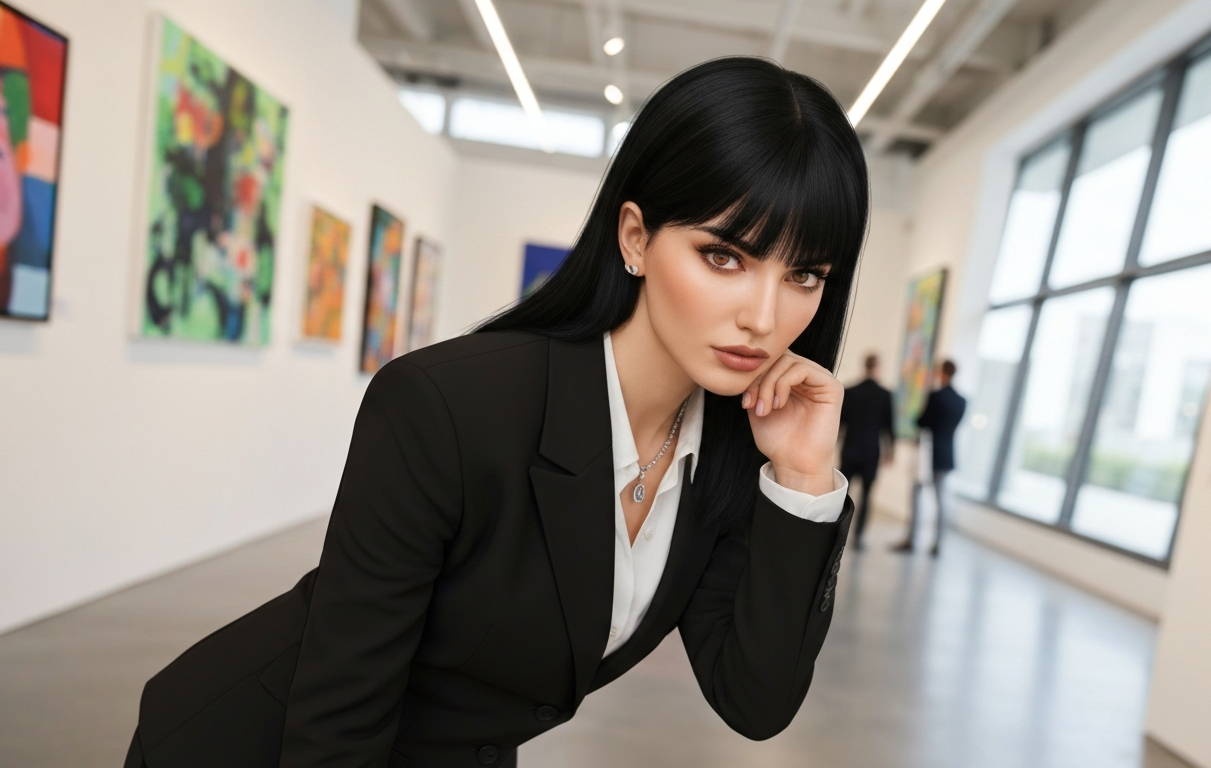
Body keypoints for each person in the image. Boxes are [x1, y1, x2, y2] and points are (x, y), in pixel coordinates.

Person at [122, 57, 868, 768]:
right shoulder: (448, 407)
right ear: (636, 238)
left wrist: (803, 477)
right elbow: (340, 713)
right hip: (255, 744)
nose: (764, 317)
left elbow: (755, 700)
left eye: (804, 274)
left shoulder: (731, 451)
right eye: (725, 257)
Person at [894, 359, 966, 556]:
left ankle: (912, 539)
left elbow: (922, 421)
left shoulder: (936, 396)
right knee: (941, 497)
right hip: (947, 454)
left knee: (917, 494)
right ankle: (938, 543)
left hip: (929, 453)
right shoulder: (961, 401)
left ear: (942, 373)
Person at [838, 353, 892, 549]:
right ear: (877, 367)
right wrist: (890, 452)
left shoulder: (850, 391)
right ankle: (859, 535)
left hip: (850, 448)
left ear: (865, 366)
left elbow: (839, 423)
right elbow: (889, 427)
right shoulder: (885, 394)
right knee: (867, 495)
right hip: (871, 451)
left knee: (843, 494)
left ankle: (838, 531)